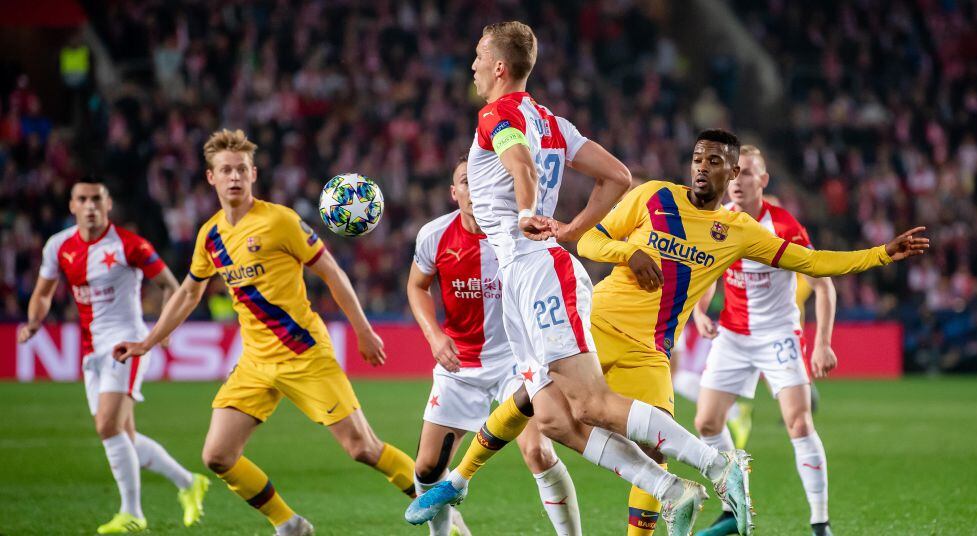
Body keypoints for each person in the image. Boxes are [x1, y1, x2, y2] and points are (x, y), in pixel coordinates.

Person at [407, 21, 756, 536]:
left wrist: (530, 212)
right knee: (552, 419)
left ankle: (716, 464)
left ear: (501, 67)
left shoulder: (495, 115)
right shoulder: (552, 122)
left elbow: (520, 163)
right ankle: (671, 490)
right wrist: (570, 228)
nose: (474, 64)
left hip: (539, 272)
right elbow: (616, 176)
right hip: (526, 275)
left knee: (592, 403)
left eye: (480, 55)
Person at [574, 129, 928, 536]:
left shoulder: (743, 231)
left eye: (714, 161)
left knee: (662, 449)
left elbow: (812, 264)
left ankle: (815, 520)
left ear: (738, 172)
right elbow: (592, 240)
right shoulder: (654, 195)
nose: (703, 168)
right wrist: (630, 254)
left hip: (694, 343)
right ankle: (477, 469)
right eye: (697, 159)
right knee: (554, 414)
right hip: (629, 326)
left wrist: (881, 253)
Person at [113, 129, 416, 536]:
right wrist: (146, 342)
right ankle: (288, 524)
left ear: (253, 174)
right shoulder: (210, 236)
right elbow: (188, 293)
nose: (234, 177)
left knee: (363, 447)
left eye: (241, 169)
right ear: (211, 178)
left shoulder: (280, 221)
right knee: (218, 456)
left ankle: (446, 511)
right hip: (255, 363)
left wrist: (363, 330)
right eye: (225, 170)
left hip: (304, 353)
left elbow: (332, 272)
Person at [19, 177, 209, 534]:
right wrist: (33, 322)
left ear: (108, 206)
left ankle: (132, 512)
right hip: (91, 351)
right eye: (82, 199)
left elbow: (171, 284)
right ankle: (188, 483)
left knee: (107, 425)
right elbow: (44, 292)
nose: (90, 205)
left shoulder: (130, 245)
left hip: (127, 344)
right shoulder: (57, 246)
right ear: (72, 206)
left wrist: (162, 332)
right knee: (124, 435)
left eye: (97, 199)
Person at [408, 157, 581, 535]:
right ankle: (446, 531)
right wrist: (435, 336)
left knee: (539, 452)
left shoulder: (519, 234)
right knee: (426, 468)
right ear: (455, 194)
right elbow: (417, 286)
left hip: (517, 364)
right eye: (464, 182)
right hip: (460, 367)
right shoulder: (434, 236)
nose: (472, 189)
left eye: (478, 181)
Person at [692, 145, 839, 536]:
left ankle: (820, 522)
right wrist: (700, 311)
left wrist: (822, 342)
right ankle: (733, 507)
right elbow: (706, 273)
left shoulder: (786, 228)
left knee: (798, 423)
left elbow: (823, 286)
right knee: (706, 422)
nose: (737, 182)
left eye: (747, 174)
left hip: (777, 335)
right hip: (733, 336)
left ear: (763, 181)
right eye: (733, 173)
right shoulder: (718, 222)